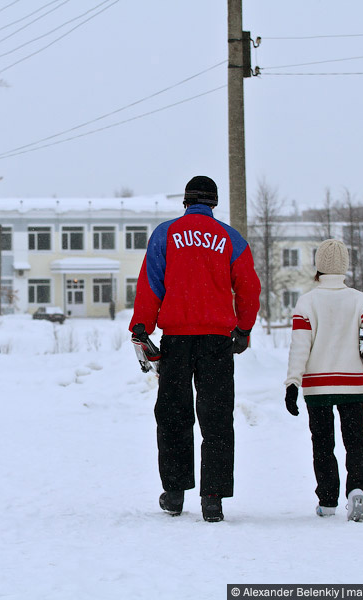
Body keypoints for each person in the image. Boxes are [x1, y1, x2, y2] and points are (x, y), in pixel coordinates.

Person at [129, 175, 261, 522]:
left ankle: (174, 494)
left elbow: (151, 284)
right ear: (214, 204)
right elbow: (249, 288)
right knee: (216, 417)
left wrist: (141, 327)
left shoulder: (166, 234)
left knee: (174, 415)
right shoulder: (231, 239)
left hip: (177, 339)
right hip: (217, 342)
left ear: (186, 202)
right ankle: (213, 498)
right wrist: (243, 330)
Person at [284, 239, 363, 522]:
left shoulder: (307, 302)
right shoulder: (359, 299)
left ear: (318, 267)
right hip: (353, 382)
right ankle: (357, 491)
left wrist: (293, 383)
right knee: (355, 440)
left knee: (323, 442)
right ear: (345, 267)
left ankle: (327, 500)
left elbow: (300, 346)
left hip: (317, 386)